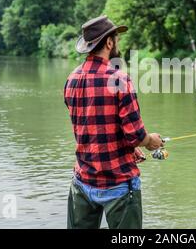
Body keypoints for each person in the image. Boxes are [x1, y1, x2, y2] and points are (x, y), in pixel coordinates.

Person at [64, 15, 164, 229]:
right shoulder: (120, 79)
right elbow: (136, 135)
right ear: (109, 42)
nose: (118, 43)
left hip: (82, 182)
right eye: (116, 39)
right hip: (119, 185)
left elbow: (90, 128)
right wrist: (150, 141)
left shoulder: (71, 79)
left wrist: (129, 148)